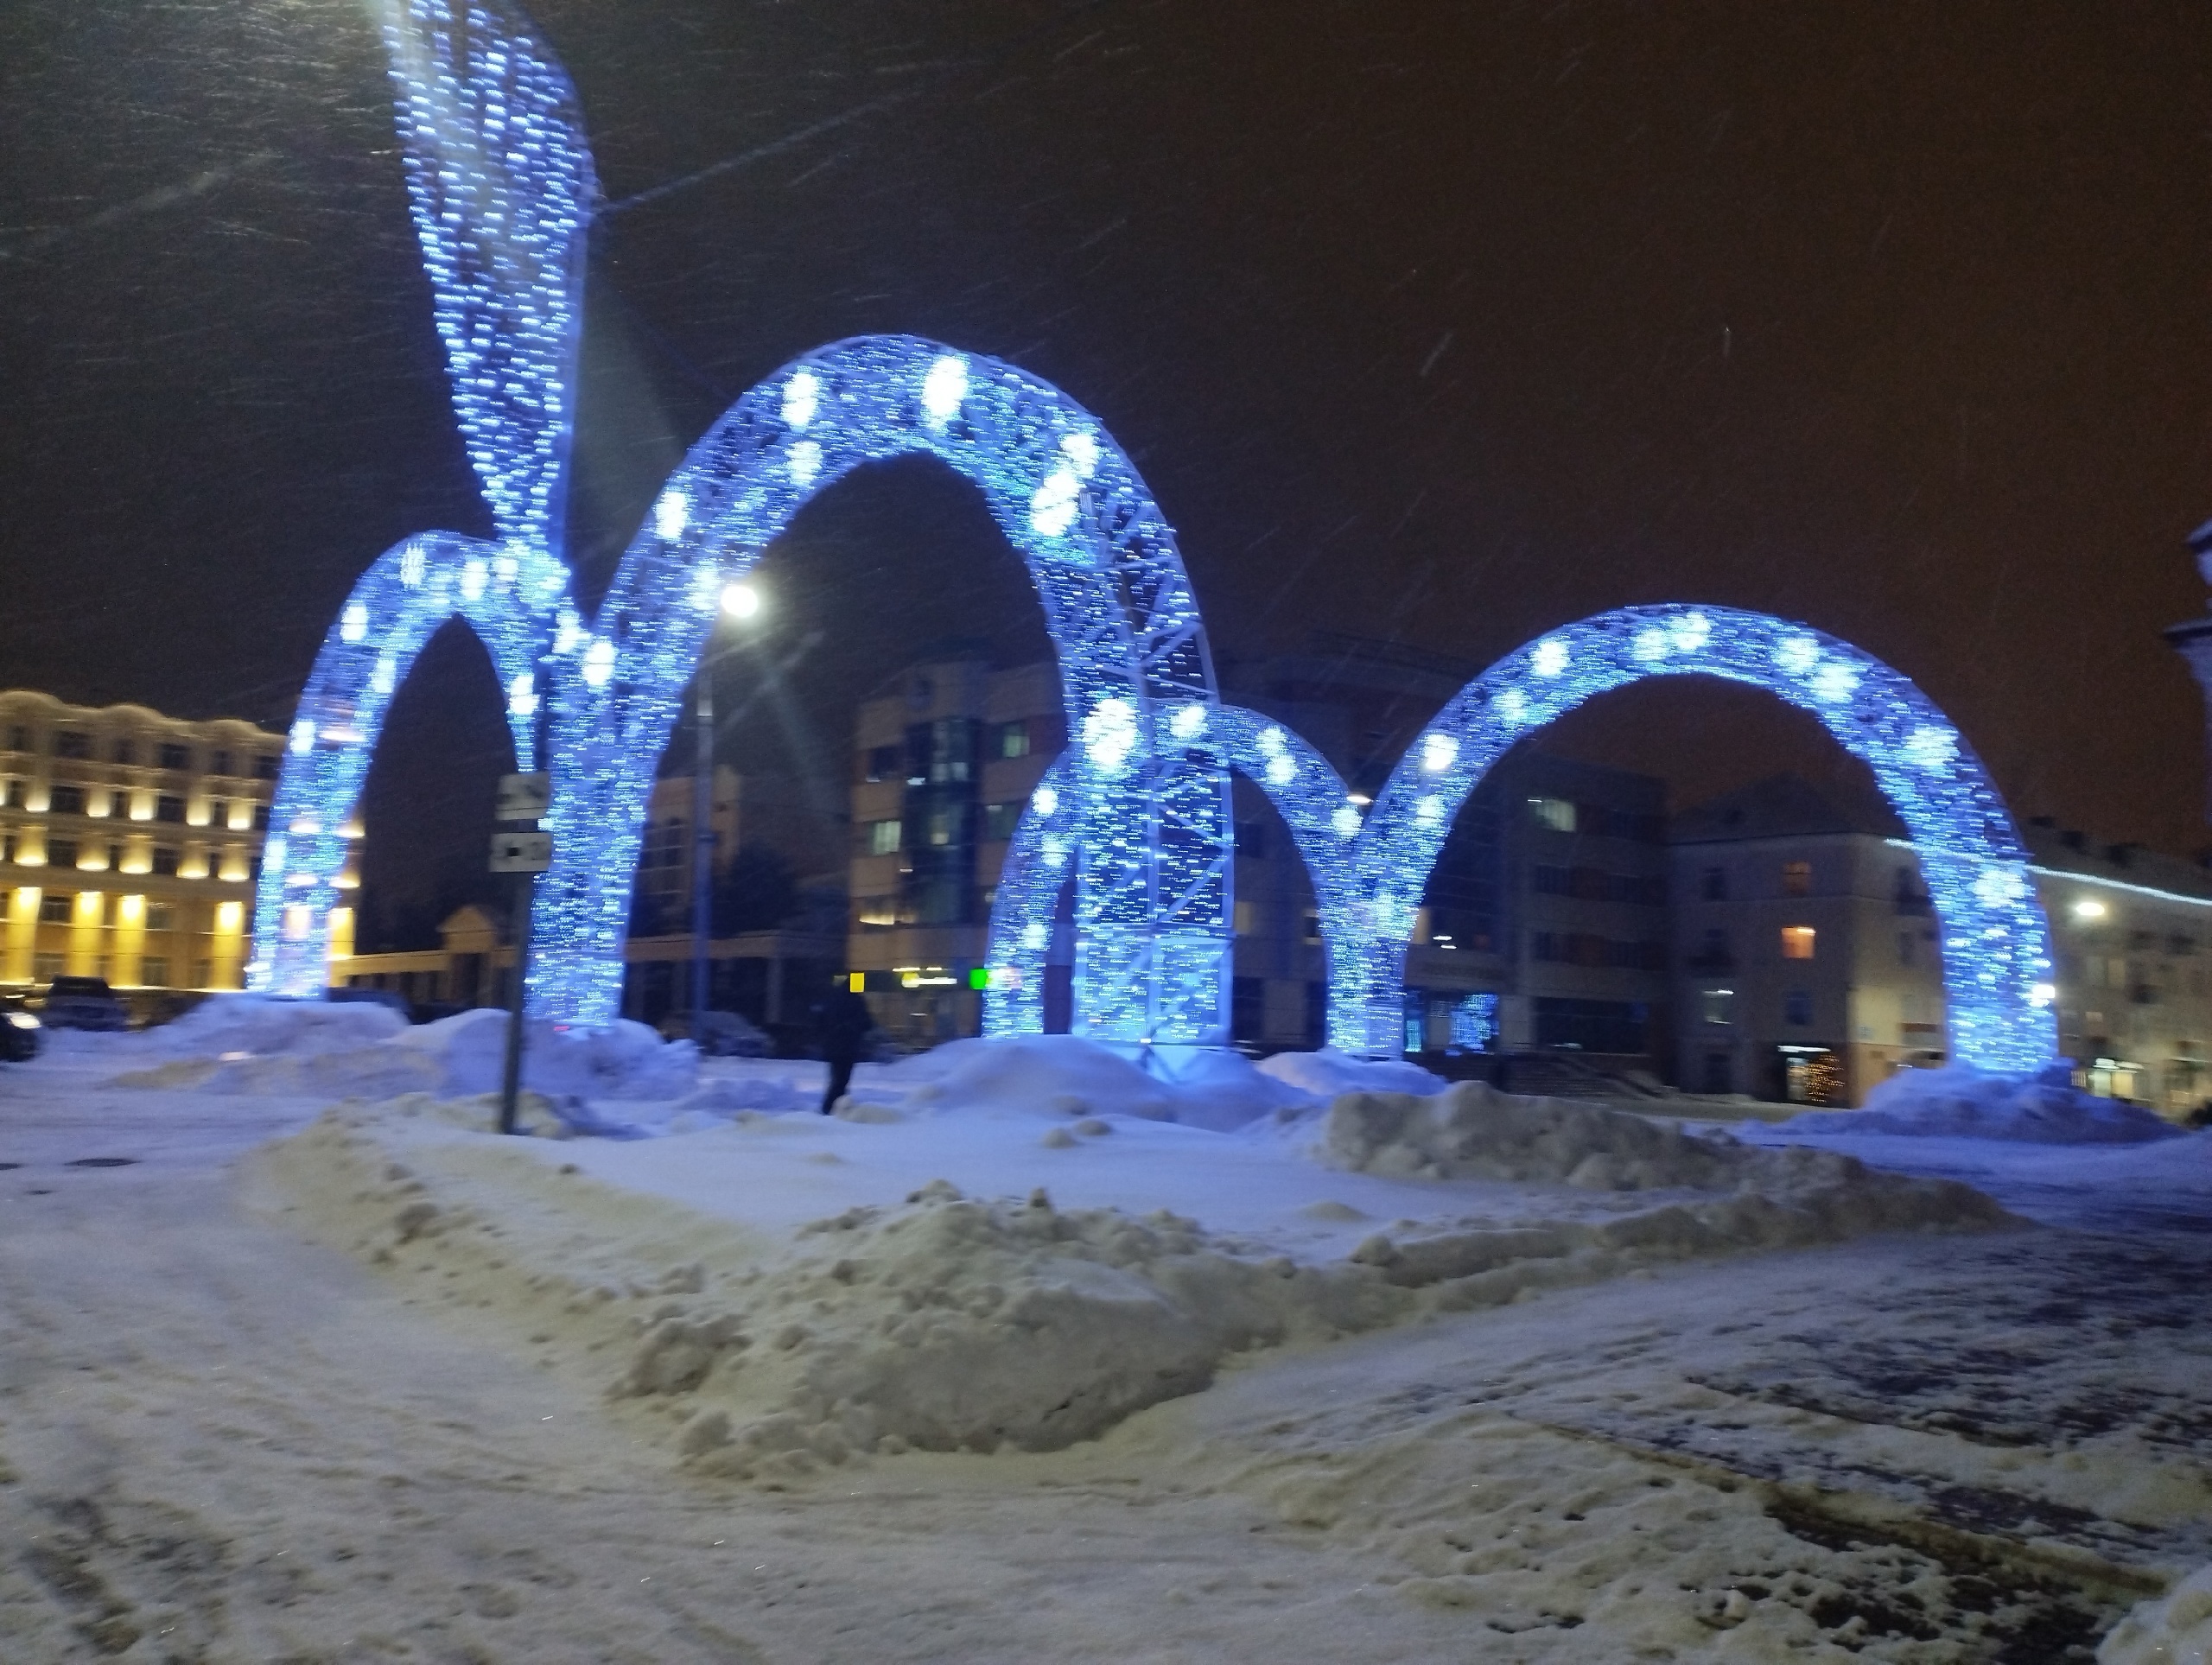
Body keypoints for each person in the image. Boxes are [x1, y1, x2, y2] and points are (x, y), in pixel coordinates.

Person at [815, 978, 876, 1115]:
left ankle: (830, 1106)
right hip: (849, 1046)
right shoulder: (856, 1001)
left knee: (836, 1078)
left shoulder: (831, 998)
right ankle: (833, 1107)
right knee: (843, 1080)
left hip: (832, 1046)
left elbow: (819, 1022)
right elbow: (866, 1023)